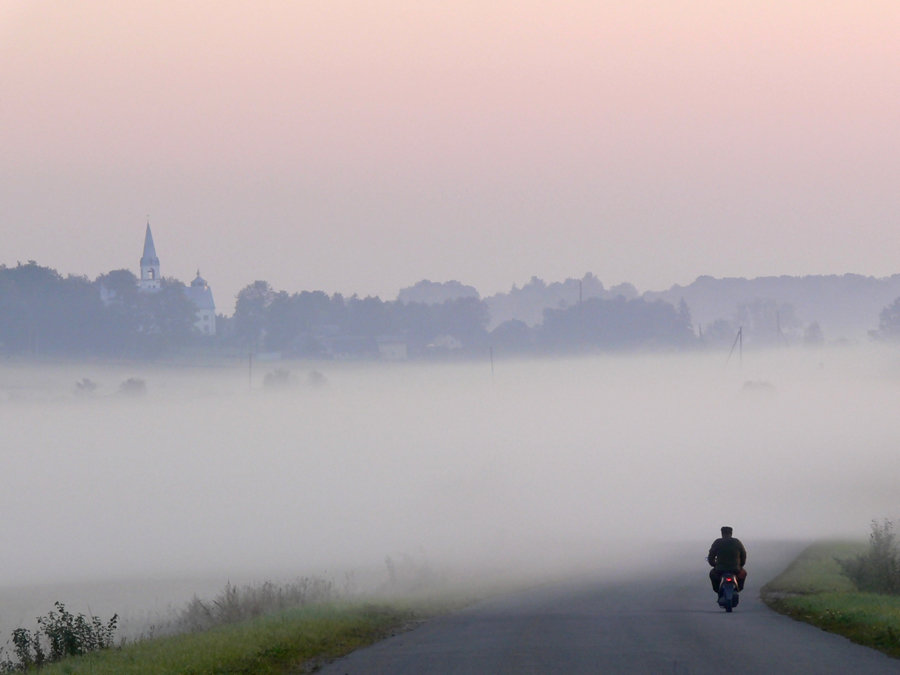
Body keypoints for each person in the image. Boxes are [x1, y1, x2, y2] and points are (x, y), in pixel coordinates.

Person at [707, 526, 747, 593]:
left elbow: (711, 557)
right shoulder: (737, 542)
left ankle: (717, 590)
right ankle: (739, 588)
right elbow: (743, 555)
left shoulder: (717, 542)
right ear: (731, 533)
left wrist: (714, 565)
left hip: (720, 570)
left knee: (712, 573)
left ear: (722, 533)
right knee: (744, 573)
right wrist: (740, 566)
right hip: (735, 570)